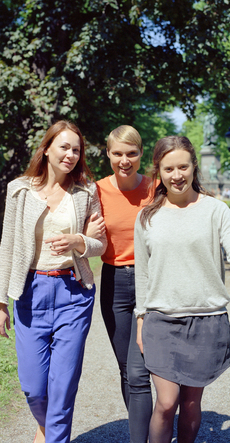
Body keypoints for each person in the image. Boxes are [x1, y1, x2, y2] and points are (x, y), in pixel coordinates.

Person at [134, 136, 230, 443]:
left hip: (206, 321)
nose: (177, 175)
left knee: (190, 404)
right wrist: (140, 319)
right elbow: (143, 275)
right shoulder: (147, 216)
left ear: (193, 167)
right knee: (165, 402)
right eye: (168, 168)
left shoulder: (215, 211)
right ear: (158, 171)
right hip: (161, 321)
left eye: (183, 167)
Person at [0, 120, 107, 443]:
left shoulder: (87, 192)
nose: (70, 154)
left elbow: (101, 244)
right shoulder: (20, 190)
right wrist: (0, 302)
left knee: (63, 383)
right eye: (64, 147)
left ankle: (54, 435)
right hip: (30, 292)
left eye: (76, 149)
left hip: (73, 292)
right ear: (47, 149)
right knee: (33, 386)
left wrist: (78, 241)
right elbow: (8, 247)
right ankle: (47, 426)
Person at [94, 125, 154, 443]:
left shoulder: (156, 188)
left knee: (138, 369)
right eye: (117, 153)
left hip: (149, 282)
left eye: (131, 153)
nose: (124, 160)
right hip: (114, 282)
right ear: (108, 155)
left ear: (141, 154)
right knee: (124, 367)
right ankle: (141, 431)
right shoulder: (97, 190)